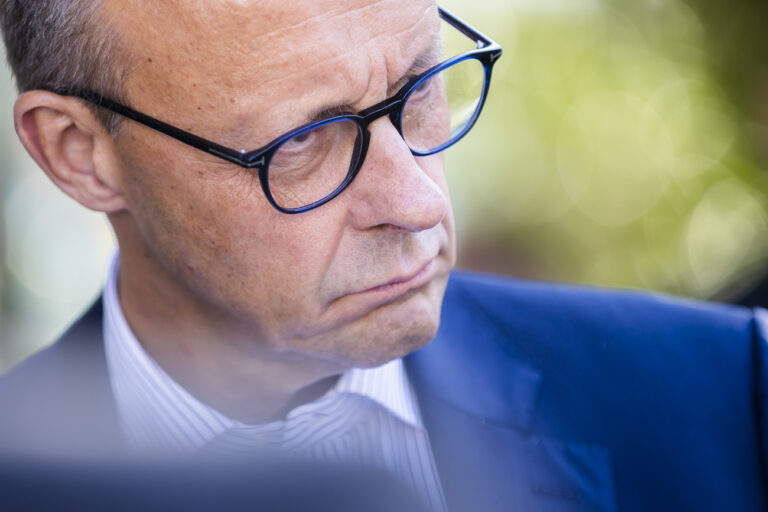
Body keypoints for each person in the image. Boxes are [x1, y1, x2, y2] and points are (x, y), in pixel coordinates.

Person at [0, 1, 766, 511]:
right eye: (299, 141)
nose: (418, 203)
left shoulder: (727, 398)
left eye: (422, 88)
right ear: (79, 154)